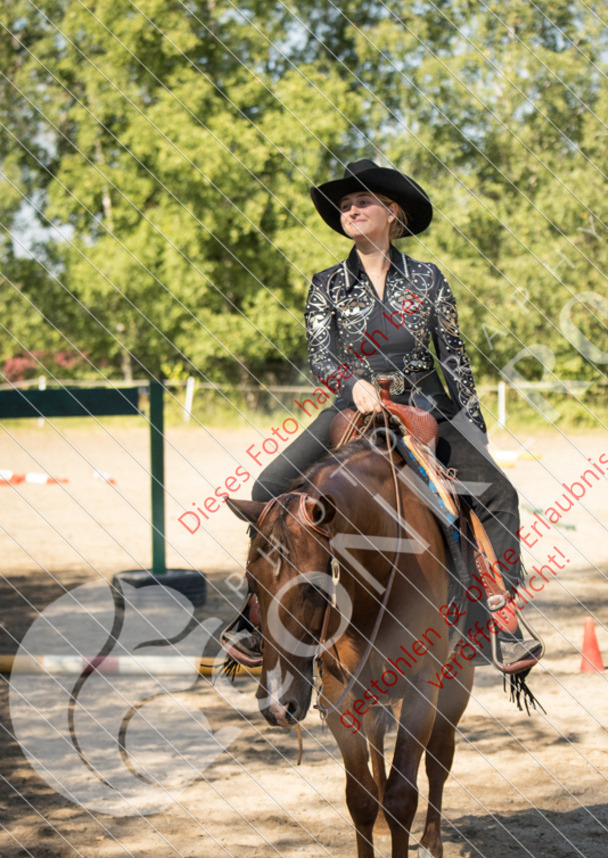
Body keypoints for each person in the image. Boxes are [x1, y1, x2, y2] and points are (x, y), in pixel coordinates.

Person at [222, 158, 542, 671]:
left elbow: (453, 356)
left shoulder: (429, 279)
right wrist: (354, 385)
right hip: (351, 407)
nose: (350, 211)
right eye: (344, 206)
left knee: (499, 493)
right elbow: (322, 356)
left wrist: (474, 431)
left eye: (361, 202)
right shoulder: (326, 284)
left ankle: (499, 623)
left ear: (392, 212)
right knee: (266, 489)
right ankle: (256, 615)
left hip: (426, 405)